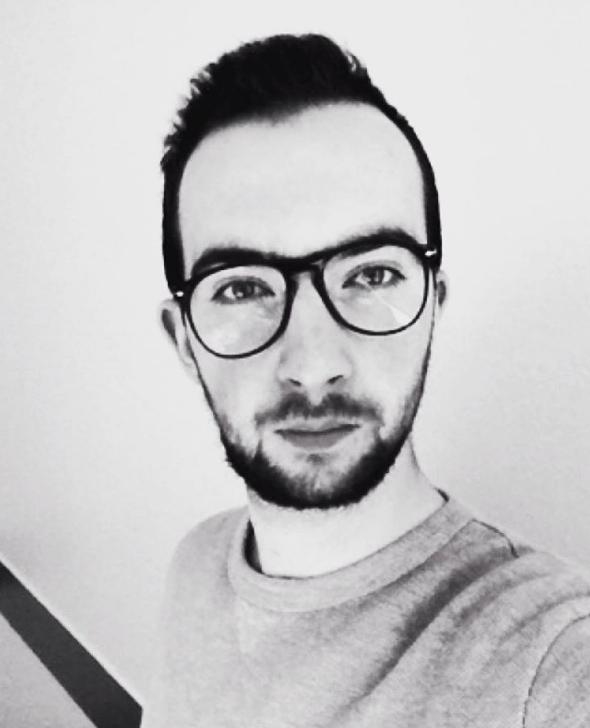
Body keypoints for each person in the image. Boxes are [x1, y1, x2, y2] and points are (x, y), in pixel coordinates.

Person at [142, 33, 590, 727]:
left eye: (372, 274)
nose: (313, 363)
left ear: (432, 305)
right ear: (183, 341)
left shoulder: (547, 660)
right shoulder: (193, 565)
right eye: (241, 288)